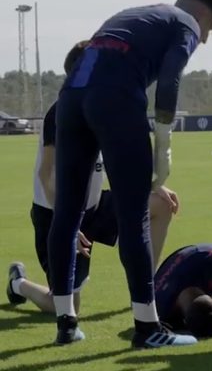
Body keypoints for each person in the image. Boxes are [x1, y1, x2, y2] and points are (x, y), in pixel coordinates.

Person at [47, 0, 212, 348]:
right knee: (135, 217)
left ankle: (66, 323)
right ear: (206, 15)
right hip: (115, 101)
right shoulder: (186, 22)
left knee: (67, 213)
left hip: (71, 100)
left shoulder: (133, 14)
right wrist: (164, 140)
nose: (204, 39)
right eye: (209, 31)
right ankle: (147, 328)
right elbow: (170, 80)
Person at [7, 41, 180, 315]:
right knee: (63, 305)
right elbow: (46, 174)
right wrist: (68, 226)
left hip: (96, 206)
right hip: (57, 213)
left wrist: (153, 186)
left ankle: (149, 286)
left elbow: (116, 161)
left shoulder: (102, 108)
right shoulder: (61, 111)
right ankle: (19, 284)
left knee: (160, 205)